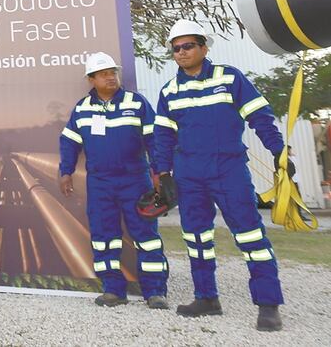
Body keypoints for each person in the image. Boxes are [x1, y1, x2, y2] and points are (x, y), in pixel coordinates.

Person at [153, 20, 285, 331]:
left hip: (228, 170)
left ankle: (268, 305)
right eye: (176, 48)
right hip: (188, 174)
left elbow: (260, 117)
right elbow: (162, 137)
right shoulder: (169, 91)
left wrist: (279, 151)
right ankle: (206, 298)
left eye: (187, 46)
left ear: (204, 47)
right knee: (196, 237)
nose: (181, 52)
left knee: (250, 235)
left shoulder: (230, 77)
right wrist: (163, 172)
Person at [58, 52, 168, 310]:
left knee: (146, 236)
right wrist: (66, 171)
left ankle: (155, 291)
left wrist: (159, 172)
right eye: (104, 73)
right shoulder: (83, 108)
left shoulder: (137, 103)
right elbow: (69, 142)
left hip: (136, 181)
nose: (111, 77)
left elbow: (154, 139)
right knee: (104, 236)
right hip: (100, 183)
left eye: (113, 72)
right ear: (91, 79)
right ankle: (113, 290)